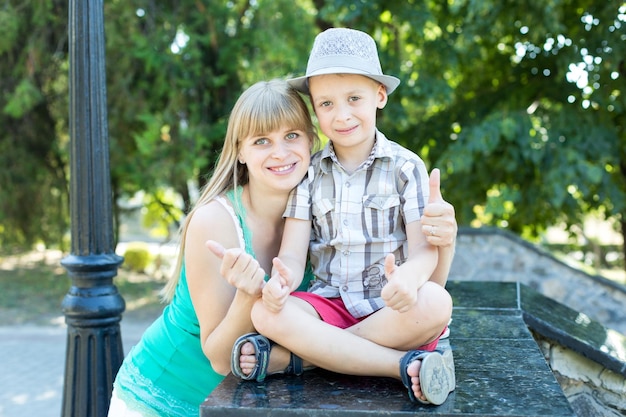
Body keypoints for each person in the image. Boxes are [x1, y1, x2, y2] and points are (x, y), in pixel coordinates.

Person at [230, 28, 456, 405]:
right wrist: (281, 281)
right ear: (315, 108)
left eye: (354, 99)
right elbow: (291, 253)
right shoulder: (309, 174)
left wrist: (410, 278)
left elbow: (423, 252)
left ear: (379, 96)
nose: (342, 115)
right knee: (266, 313)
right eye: (327, 104)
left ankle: (302, 358)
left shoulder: (406, 168)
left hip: (389, 309)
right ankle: (400, 364)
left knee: (436, 303)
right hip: (329, 305)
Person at [107, 79, 321, 417]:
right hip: (161, 400)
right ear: (240, 151)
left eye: (291, 136)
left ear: (311, 140)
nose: (280, 152)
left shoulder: (322, 217)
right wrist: (247, 295)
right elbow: (222, 359)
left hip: (240, 406)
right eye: (262, 140)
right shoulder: (215, 222)